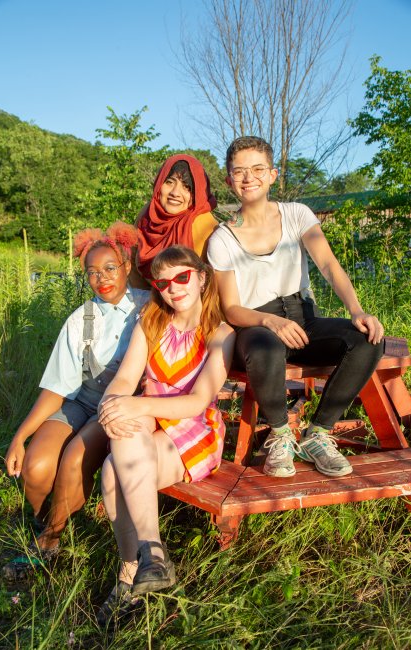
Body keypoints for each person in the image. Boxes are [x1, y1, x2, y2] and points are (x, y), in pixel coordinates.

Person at [207, 136, 384, 479]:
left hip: (303, 320)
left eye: (258, 169)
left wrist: (356, 310)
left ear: (272, 174)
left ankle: (318, 434)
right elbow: (231, 308)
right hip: (256, 326)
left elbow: (330, 266)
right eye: (239, 171)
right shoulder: (222, 238)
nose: (249, 178)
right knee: (264, 346)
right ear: (229, 180)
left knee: (367, 339)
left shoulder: (296, 214)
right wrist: (270, 322)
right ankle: (280, 434)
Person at [95, 245, 234, 625]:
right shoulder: (152, 322)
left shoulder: (220, 333)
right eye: (164, 282)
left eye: (182, 277)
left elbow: (197, 401)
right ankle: (149, 561)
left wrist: (136, 406)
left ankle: (132, 573)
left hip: (195, 431)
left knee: (112, 471)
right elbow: (125, 378)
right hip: (153, 423)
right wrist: (110, 409)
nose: (174, 288)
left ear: (201, 277)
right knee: (119, 447)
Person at [3, 222, 149, 581]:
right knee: (36, 467)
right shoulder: (81, 319)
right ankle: (50, 519)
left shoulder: (150, 308)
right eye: (92, 272)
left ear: (127, 266)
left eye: (110, 268)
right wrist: (20, 437)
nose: (102, 278)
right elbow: (57, 386)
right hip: (82, 401)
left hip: (117, 406)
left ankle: (49, 543)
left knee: (72, 460)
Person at [133, 153, 218, 284]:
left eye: (187, 187)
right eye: (169, 182)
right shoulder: (148, 215)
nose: (175, 193)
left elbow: (211, 285)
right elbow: (133, 274)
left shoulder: (202, 224)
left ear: (197, 194)